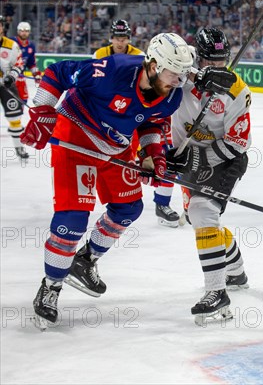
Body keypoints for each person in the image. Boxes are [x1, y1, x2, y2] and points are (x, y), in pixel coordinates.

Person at [20, 33, 234, 329]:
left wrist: (151, 155)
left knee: (129, 207)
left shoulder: (171, 92)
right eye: (174, 73)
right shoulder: (112, 70)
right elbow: (57, 72)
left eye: (183, 74)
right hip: (76, 138)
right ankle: (51, 287)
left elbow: (152, 122)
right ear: (155, 65)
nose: (179, 81)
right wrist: (42, 114)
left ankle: (86, 259)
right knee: (72, 221)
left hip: (116, 145)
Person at [165, 28, 249, 325]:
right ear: (196, 58)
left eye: (222, 61)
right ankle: (235, 269)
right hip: (186, 157)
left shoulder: (237, 91)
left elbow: (239, 142)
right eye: (209, 61)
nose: (217, 67)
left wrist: (201, 158)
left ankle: (217, 292)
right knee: (198, 218)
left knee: (202, 213)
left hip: (224, 159)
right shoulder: (180, 73)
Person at [94, 20, 181, 227]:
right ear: (111, 37)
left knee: (159, 153)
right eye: (117, 37)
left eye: (123, 37)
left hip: (136, 114)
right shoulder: (100, 55)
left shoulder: (140, 56)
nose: (120, 41)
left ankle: (159, 203)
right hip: (107, 115)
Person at [0, 15, 28, 160]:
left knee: (15, 118)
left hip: (6, 86)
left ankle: (19, 147)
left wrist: (11, 77)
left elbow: (19, 64)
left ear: (2, 27)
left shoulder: (12, 45)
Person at [11, 21, 42, 105]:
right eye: (22, 30)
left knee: (23, 100)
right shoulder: (11, 42)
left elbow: (31, 63)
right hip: (8, 75)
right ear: (18, 31)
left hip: (20, 77)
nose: (24, 33)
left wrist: (36, 74)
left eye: (26, 31)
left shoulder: (31, 45)